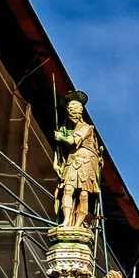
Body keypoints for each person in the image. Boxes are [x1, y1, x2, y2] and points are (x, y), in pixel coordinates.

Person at [53, 90, 100, 229]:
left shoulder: (86, 128)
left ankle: (78, 224)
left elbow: (72, 141)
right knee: (67, 189)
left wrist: (60, 138)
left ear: (79, 113)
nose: (72, 115)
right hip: (72, 161)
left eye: (74, 112)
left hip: (86, 162)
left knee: (83, 194)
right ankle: (67, 221)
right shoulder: (66, 127)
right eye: (69, 111)